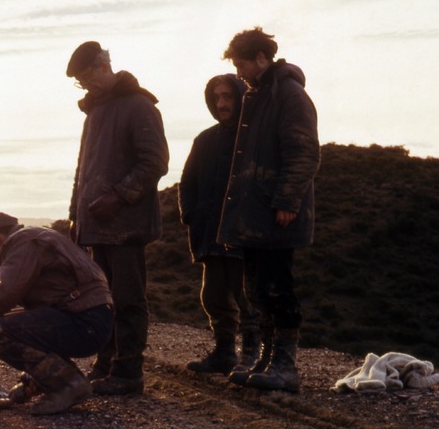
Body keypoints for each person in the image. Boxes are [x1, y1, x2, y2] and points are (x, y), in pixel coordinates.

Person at [65, 41, 169, 395]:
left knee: (127, 299)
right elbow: (84, 172)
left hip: (126, 227)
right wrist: (74, 217)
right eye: (80, 81)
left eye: (88, 75)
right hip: (95, 228)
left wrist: (118, 197)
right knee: (102, 300)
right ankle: (106, 363)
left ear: (104, 64)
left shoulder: (139, 106)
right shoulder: (95, 112)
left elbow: (154, 162)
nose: (86, 84)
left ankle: (128, 373)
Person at [219, 27, 319, 393]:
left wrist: (288, 201)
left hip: (276, 213)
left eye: (242, 63)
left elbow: (303, 151)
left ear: (261, 58)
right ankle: (266, 359)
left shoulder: (289, 95)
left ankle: (286, 366)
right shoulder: (257, 96)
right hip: (255, 214)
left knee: (277, 289)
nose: (240, 71)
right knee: (258, 290)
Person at [0, 212, 114, 415]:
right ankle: (48, 382)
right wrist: (33, 378)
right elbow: (38, 317)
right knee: (11, 322)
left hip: (85, 321)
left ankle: (68, 384)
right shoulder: (37, 237)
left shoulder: (22, 241)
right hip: (89, 319)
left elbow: (5, 292)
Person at [178, 74, 261, 374]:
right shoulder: (205, 139)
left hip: (244, 235)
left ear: (241, 97)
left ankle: (252, 353)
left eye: (228, 97)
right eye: (217, 98)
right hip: (210, 233)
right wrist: (191, 215)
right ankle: (224, 352)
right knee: (213, 297)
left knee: (247, 297)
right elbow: (187, 183)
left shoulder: (254, 138)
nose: (222, 103)